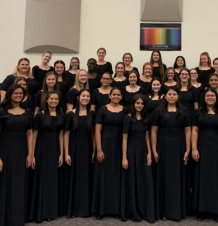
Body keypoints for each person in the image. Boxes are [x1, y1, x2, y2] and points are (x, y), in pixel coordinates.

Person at [0, 84, 33, 226]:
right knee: (5, 183)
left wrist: (30, 154)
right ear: (10, 94)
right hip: (6, 151)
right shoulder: (1, 112)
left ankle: (17, 218)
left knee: (19, 184)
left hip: (22, 151)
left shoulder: (28, 111)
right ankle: (4, 218)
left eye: (21, 93)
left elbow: (30, 134)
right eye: (16, 93)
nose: (18, 95)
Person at [151, 88, 191, 221]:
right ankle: (163, 211)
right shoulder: (158, 111)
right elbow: (154, 132)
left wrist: (188, 150)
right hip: (163, 147)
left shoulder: (184, 111)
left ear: (178, 96)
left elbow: (188, 132)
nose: (172, 96)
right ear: (165, 96)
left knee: (177, 178)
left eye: (174, 94)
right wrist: (154, 150)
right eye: (170, 94)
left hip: (179, 147)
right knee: (164, 177)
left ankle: (177, 211)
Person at [192, 88, 218, 223]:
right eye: (207, 95)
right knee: (202, 178)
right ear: (204, 98)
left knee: (217, 178)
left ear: (216, 98)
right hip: (202, 149)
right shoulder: (198, 112)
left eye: (212, 95)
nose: (210, 97)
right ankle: (201, 209)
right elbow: (194, 131)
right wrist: (194, 148)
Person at [92, 87, 129, 219]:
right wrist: (99, 149)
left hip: (120, 147)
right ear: (109, 95)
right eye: (114, 94)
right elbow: (97, 131)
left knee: (117, 177)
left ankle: (117, 209)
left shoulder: (125, 110)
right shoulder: (102, 109)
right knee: (103, 176)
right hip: (105, 146)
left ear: (121, 96)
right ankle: (101, 210)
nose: (116, 96)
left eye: (118, 95)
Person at [28, 90, 64, 223]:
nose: (54, 101)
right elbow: (33, 136)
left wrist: (61, 153)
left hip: (54, 151)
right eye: (51, 99)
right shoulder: (39, 116)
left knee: (51, 181)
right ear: (46, 101)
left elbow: (61, 136)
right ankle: (40, 211)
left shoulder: (61, 115)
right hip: (41, 151)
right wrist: (32, 155)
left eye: (56, 99)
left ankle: (50, 211)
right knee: (41, 180)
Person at [121, 94, 155, 223]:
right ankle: (133, 211)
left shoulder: (147, 118)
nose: (139, 105)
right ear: (133, 104)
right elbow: (124, 139)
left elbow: (147, 136)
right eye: (137, 103)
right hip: (131, 150)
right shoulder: (127, 118)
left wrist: (149, 152)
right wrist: (124, 157)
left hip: (143, 150)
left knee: (145, 179)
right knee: (132, 179)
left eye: (141, 103)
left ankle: (145, 210)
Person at [64, 89, 94, 218]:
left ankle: (86, 209)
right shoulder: (70, 114)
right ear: (78, 97)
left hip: (87, 149)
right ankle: (74, 209)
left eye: (87, 96)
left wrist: (95, 150)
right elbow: (66, 134)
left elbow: (93, 134)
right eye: (83, 96)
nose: (85, 98)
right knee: (74, 178)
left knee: (86, 178)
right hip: (73, 149)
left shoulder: (92, 114)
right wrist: (66, 153)